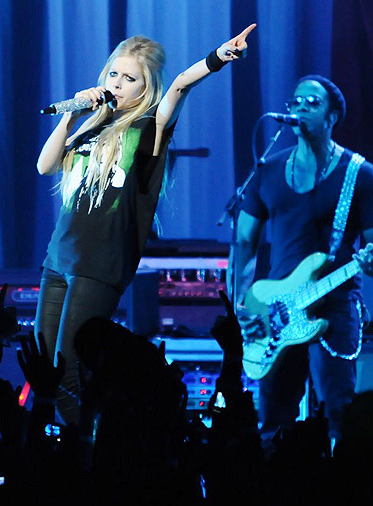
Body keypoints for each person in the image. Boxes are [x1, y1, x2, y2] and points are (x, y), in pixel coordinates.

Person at [35, 24, 257, 425]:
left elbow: (180, 88)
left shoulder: (149, 125)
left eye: (129, 78)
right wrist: (72, 117)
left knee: (69, 368)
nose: (117, 84)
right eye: (113, 74)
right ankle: (48, 451)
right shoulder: (94, 122)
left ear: (145, 87)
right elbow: (45, 165)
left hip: (99, 264)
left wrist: (216, 59)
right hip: (58, 257)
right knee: (43, 364)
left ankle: (80, 454)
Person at [234, 75, 373, 439]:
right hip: (276, 309)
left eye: (312, 103)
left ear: (332, 116)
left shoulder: (360, 174)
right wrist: (241, 303)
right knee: (274, 418)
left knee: (339, 412)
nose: (301, 108)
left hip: (335, 305)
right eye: (296, 102)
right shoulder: (268, 169)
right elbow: (244, 241)